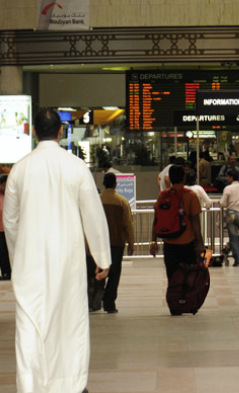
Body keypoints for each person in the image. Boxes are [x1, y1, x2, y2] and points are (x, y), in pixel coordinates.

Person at [2, 108, 111, 393]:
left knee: (30, 327)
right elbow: (92, 213)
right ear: (61, 131)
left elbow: (10, 221)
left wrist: (17, 258)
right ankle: (70, 385)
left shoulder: (20, 170)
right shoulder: (75, 166)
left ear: (35, 131)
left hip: (30, 263)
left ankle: (30, 385)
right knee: (69, 323)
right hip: (68, 262)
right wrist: (102, 257)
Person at [149, 165, 205, 280]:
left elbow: (156, 219)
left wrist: (153, 241)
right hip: (187, 243)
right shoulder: (190, 195)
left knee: (173, 278)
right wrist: (200, 243)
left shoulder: (163, 195)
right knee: (189, 277)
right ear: (184, 178)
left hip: (169, 243)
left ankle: (176, 298)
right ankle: (185, 298)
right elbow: (195, 222)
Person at [99, 172, 135, 313]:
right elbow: (128, 224)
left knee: (100, 272)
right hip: (116, 242)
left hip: (100, 243)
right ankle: (109, 303)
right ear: (115, 184)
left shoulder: (97, 200)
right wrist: (131, 242)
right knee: (114, 273)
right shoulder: (121, 201)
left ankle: (96, 300)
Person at [220, 169, 239, 267]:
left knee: (233, 238)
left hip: (230, 214)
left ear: (231, 178)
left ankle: (238, 260)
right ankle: (231, 246)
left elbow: (222, 203)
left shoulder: (228, 189)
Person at [0, 174, 11, 280]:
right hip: (1, 229)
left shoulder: (12, 195)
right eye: (4, 184)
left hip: (11, 229)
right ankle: (5, 272)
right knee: (3, 252)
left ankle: (12, 272)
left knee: (11, 251)